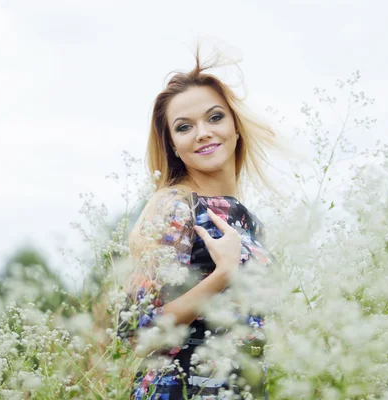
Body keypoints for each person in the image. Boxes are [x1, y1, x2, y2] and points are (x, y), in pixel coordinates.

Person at [117, 44, 289, 400]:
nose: (203, 133)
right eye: (184, 127)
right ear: (174, 146)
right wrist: (222, 273)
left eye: (215, 118)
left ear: (236, 126)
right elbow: (136, 333)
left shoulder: (250, 222)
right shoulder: (175, 207)